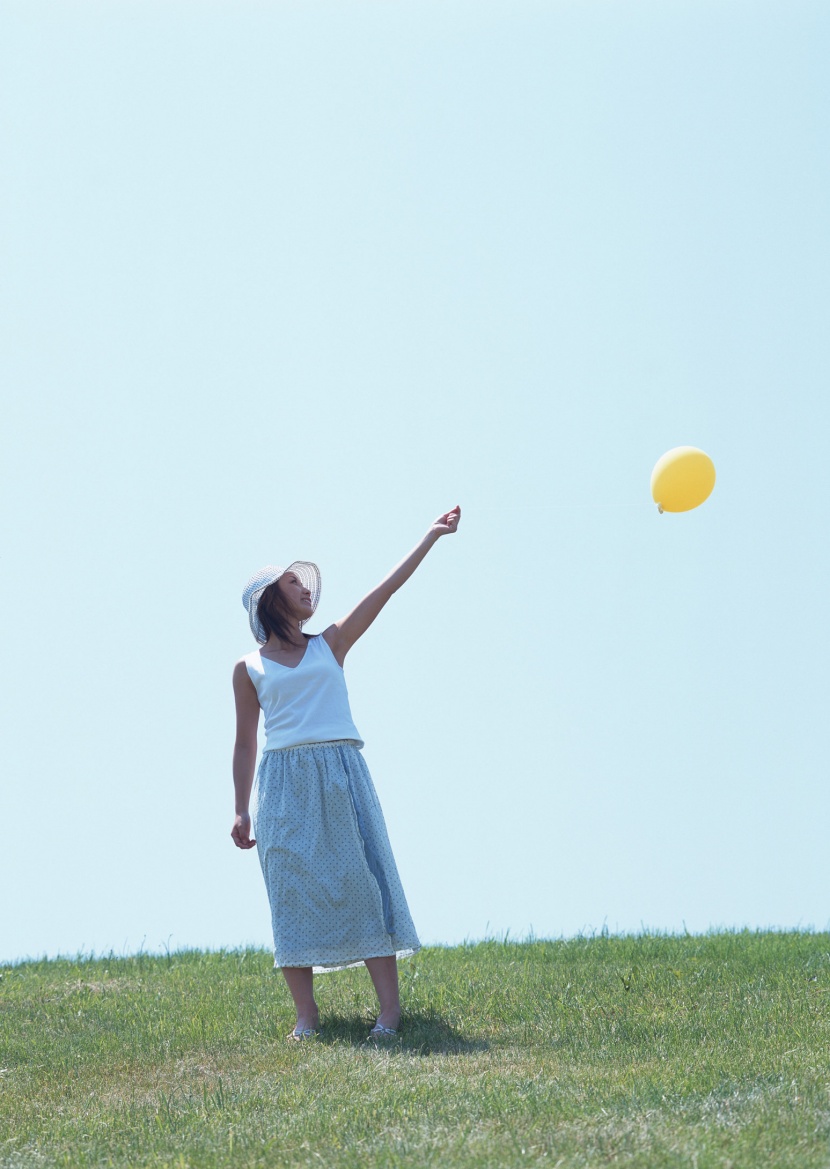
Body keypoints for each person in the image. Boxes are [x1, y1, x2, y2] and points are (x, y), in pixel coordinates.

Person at [231, 505, 461, 1041]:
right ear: (271, 599)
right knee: (289, 889)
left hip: (339, 772)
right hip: (283, 783)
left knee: (361, 882)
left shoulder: (329, 644)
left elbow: (385, 590)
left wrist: (429, 536)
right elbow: (245, 741)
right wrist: (240, 808)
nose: (307, 590)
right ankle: (306, 1016)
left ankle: (390, 1012)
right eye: (293, 583)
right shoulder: (249, 668)